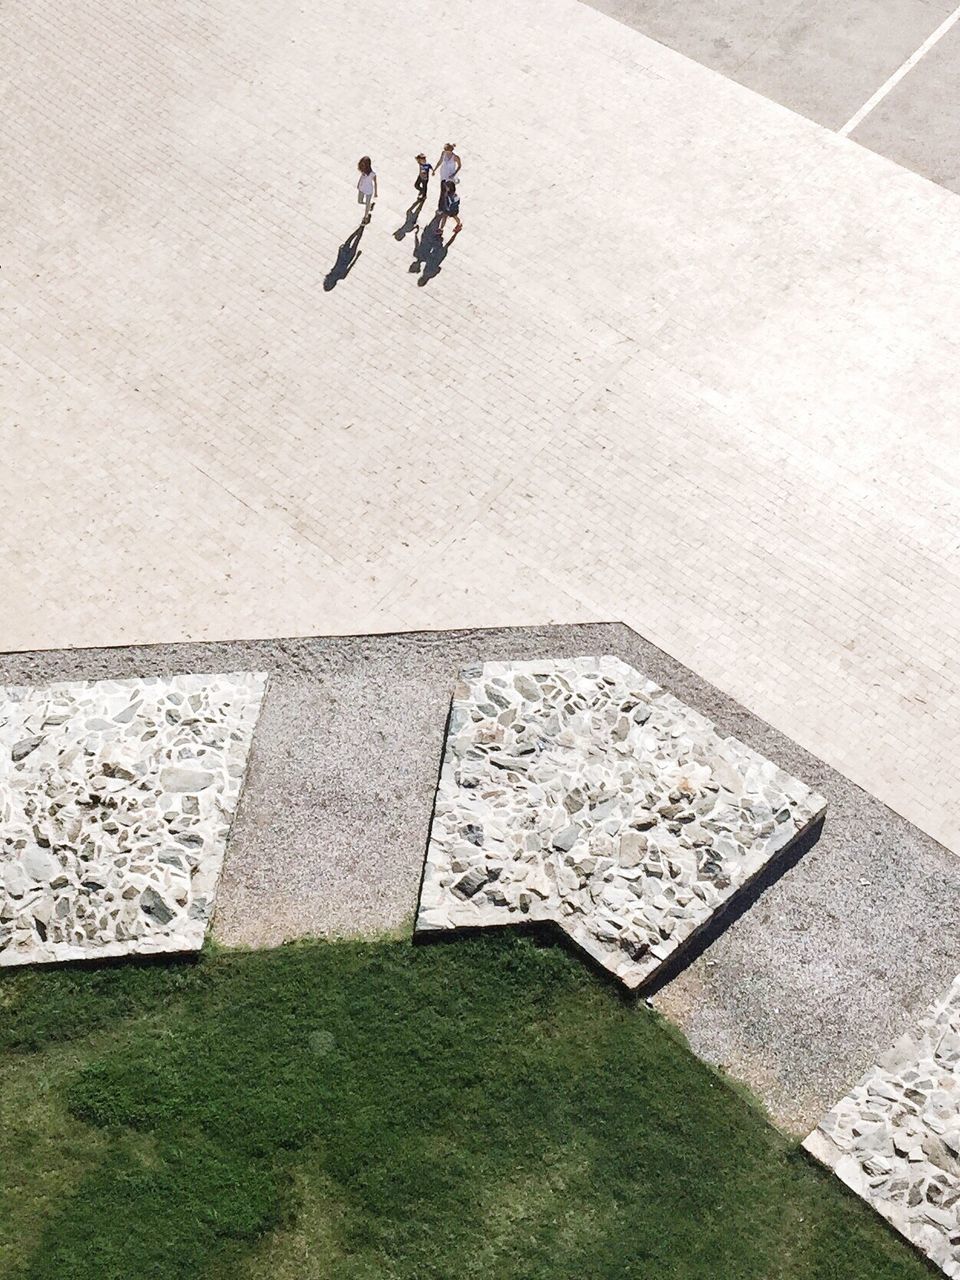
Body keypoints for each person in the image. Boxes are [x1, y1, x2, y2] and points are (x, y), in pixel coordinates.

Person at [356, 157, 377, 223]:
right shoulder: (363, 171)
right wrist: (358, 184)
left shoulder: (372, 174)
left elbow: (375, 183)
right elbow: (361, 177)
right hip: (362, 188)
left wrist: (376, 193)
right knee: (359, 201)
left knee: (367, 205)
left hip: (369, 191)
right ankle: (370, 205)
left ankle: (366, 217)